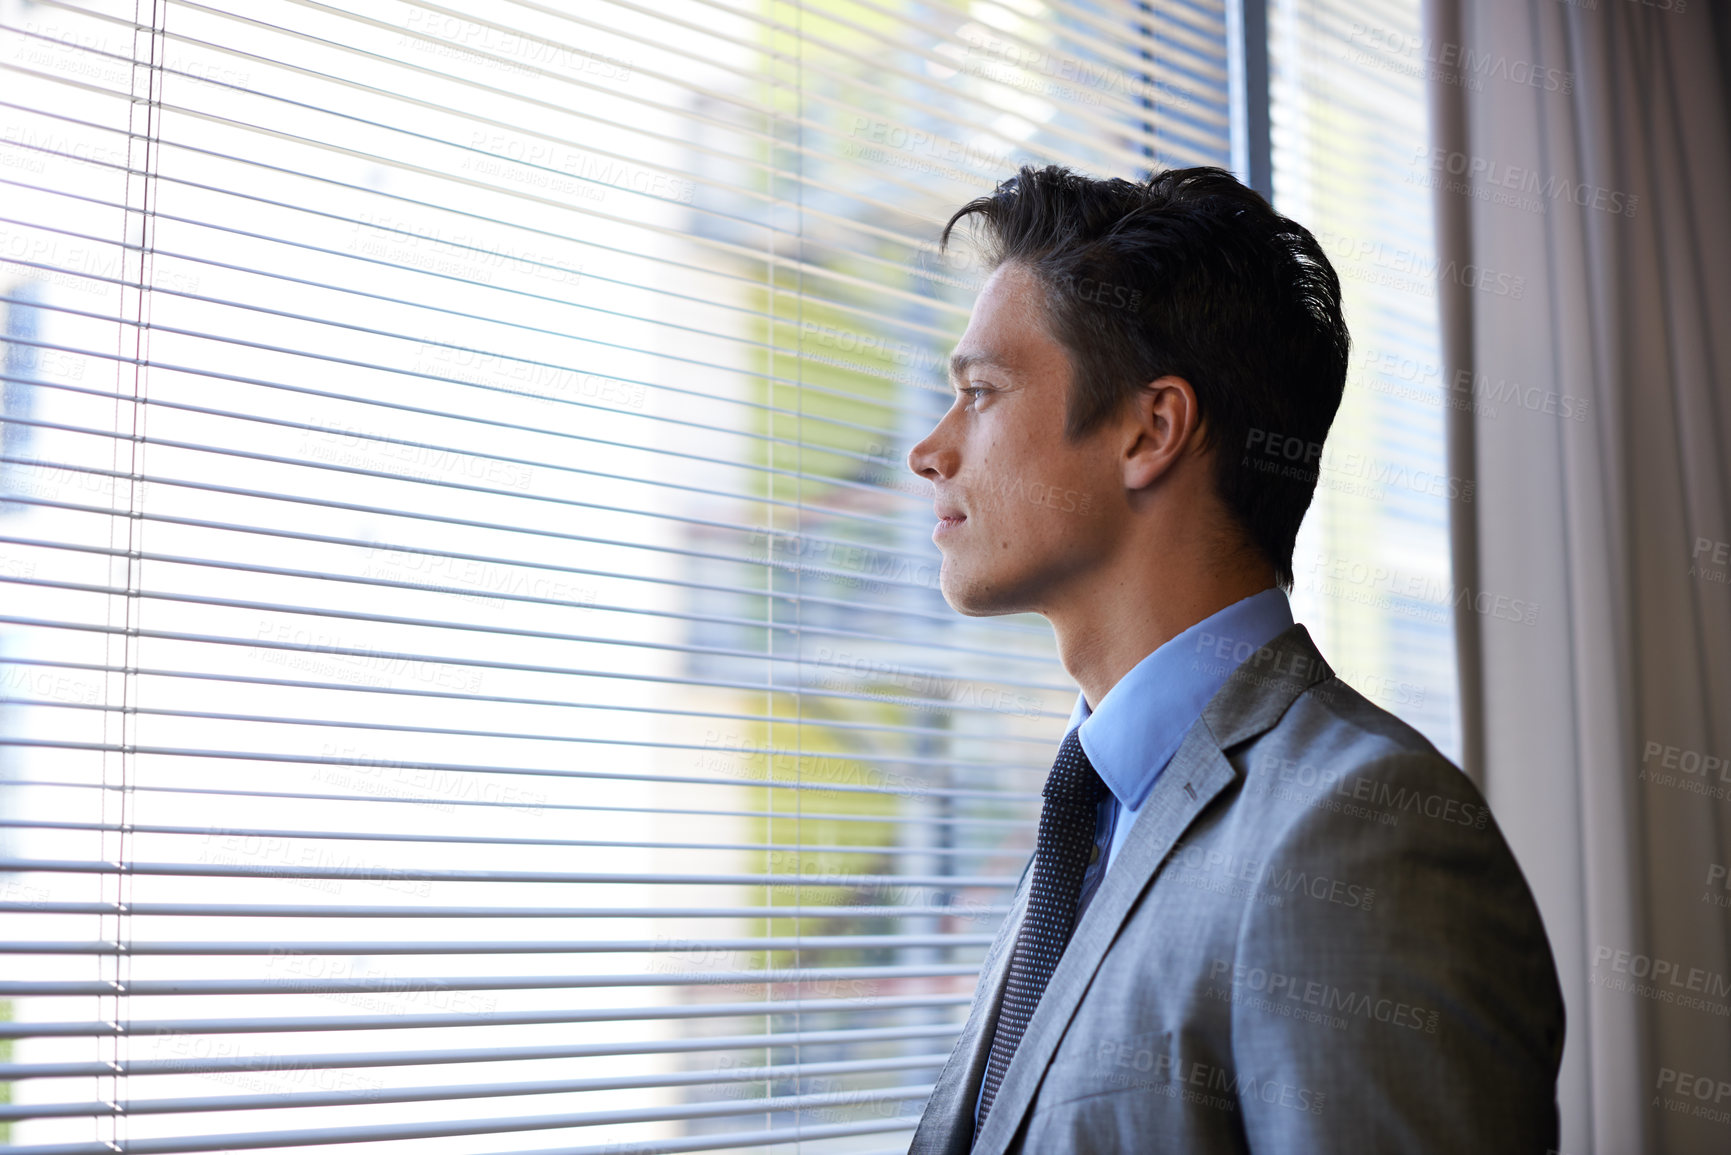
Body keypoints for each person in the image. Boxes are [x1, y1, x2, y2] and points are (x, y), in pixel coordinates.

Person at [903, 165, 1564, 1154]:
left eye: (980, 393)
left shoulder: (1362, 839)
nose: (928, 449)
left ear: (1149, 429)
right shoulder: (1085, 823)